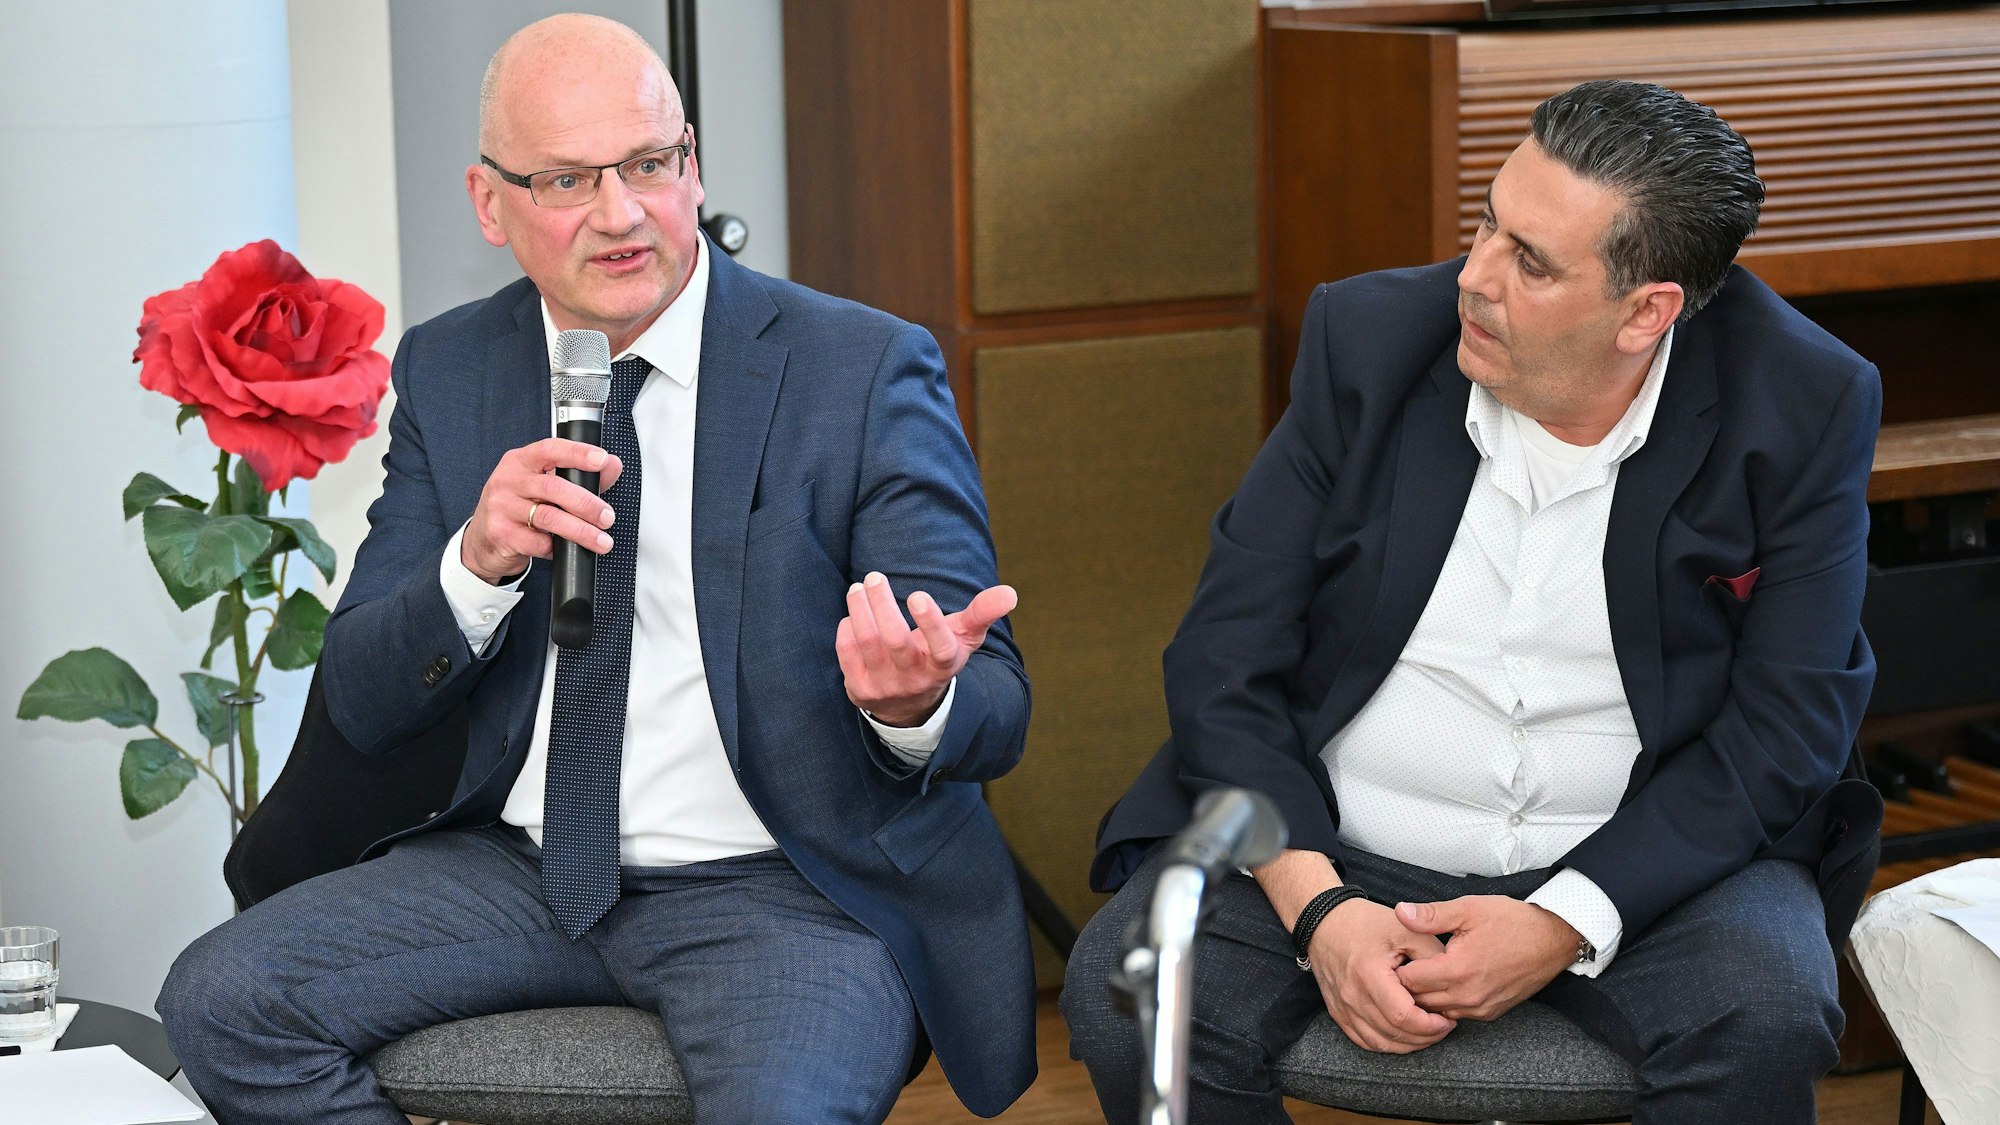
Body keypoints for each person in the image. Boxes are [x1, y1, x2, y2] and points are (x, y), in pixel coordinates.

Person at [157, 15, 1034, 1124]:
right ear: (489, 204)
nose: (621, 215)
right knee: (224, 1000)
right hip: (513, 871)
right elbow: (369, 698)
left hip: (781, 890)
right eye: (567, 179)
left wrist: (916, 700)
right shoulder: (454, 367)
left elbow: (995, 703)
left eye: (649, 165)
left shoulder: (854, 369)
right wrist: (474, 566)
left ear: (693, 162)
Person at [1062, 79, 1883, 1124]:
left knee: (1763, 1013)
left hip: (1646, 846)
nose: (1474, 276)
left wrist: (1562, 918)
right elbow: (1224, 651)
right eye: (1486, 223)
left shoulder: (1802, 399)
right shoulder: (1365, 341)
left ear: (1647, 311)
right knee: (1134, 992)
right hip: (1336, 830)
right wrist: (1317, 909)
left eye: (1528, 262)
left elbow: (1789, 722)